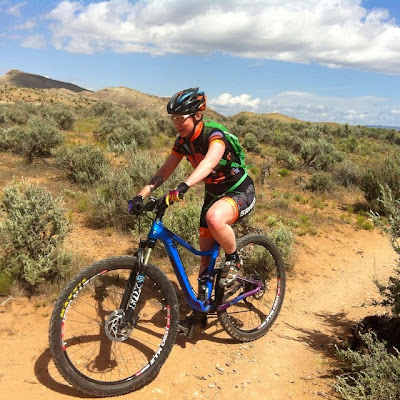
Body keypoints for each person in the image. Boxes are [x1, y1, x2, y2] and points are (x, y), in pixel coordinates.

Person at [129, 87, 256, 327]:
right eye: (173, 119)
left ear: (198, 115)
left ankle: (233, 259)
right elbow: (165, 170)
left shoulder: (214, 135)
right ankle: (200, 312)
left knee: (215, 219)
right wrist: (141, 195)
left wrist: (183, 187)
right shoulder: (182, 142)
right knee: (205, 258)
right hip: (213, 193)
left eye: (181, 118)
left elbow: (208, 163)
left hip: (239, 190)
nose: (176, 124)